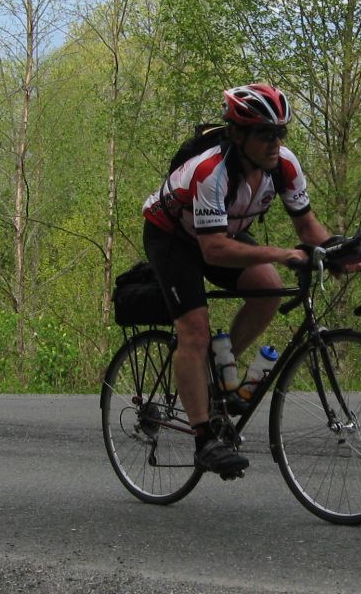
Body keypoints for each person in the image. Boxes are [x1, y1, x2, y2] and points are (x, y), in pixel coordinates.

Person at [141, 83, 335, 478]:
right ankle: (204, 439)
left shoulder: (284, 165)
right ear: (237, 135)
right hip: (173, 237)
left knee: (268, 290)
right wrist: (280, 253)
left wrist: (345, 255)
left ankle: (215, 378)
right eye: (265, 134)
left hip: (220, 232)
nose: (275, 143)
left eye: (280, 133)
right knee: (194, 330)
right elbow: (213, 251)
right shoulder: (211, 172)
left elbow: (308, 226)